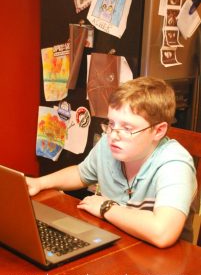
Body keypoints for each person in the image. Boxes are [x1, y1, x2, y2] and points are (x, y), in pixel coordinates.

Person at [26, 76, 197, 248]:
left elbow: (162, 233)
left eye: (127, 128)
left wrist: (107, 208)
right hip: (115, 240)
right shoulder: (108, 144)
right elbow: (81, 174)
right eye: (111, 123)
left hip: (161, 261)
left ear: (158, 131)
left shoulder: (175, 164)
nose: (113, 135)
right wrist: (40, 183)